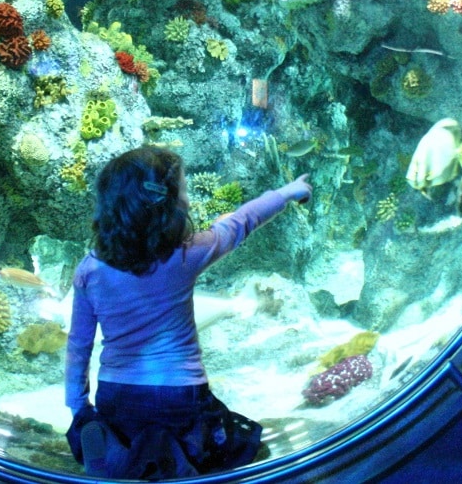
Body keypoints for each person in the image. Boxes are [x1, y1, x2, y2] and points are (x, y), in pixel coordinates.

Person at [65, 145, 312, 479]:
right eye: (184, 191)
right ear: (168, 205)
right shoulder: (186, 255)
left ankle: (107, 452)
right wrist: (287, 192)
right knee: (205, 450)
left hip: (116, 392)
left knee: (128, 448)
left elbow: (79, 345)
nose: (189, 199)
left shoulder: (89, 270)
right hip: (180, 392)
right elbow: (242, 222)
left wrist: (79, 407)